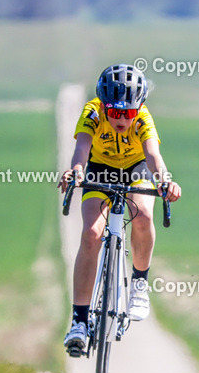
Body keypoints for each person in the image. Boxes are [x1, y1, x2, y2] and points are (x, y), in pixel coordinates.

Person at [58, 64, 181, 357]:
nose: (122, 118)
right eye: (115, 111)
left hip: (136, 170)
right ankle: (79, 321)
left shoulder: (142, 118)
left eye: (128, 112)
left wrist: (164, 180)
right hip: (100, 172)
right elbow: (81, 151)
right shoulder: (92, 111)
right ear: (104, 104)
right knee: (90, 234)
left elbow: (153, 156)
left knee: (144, 215)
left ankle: (139, 283)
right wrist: (75, 171)